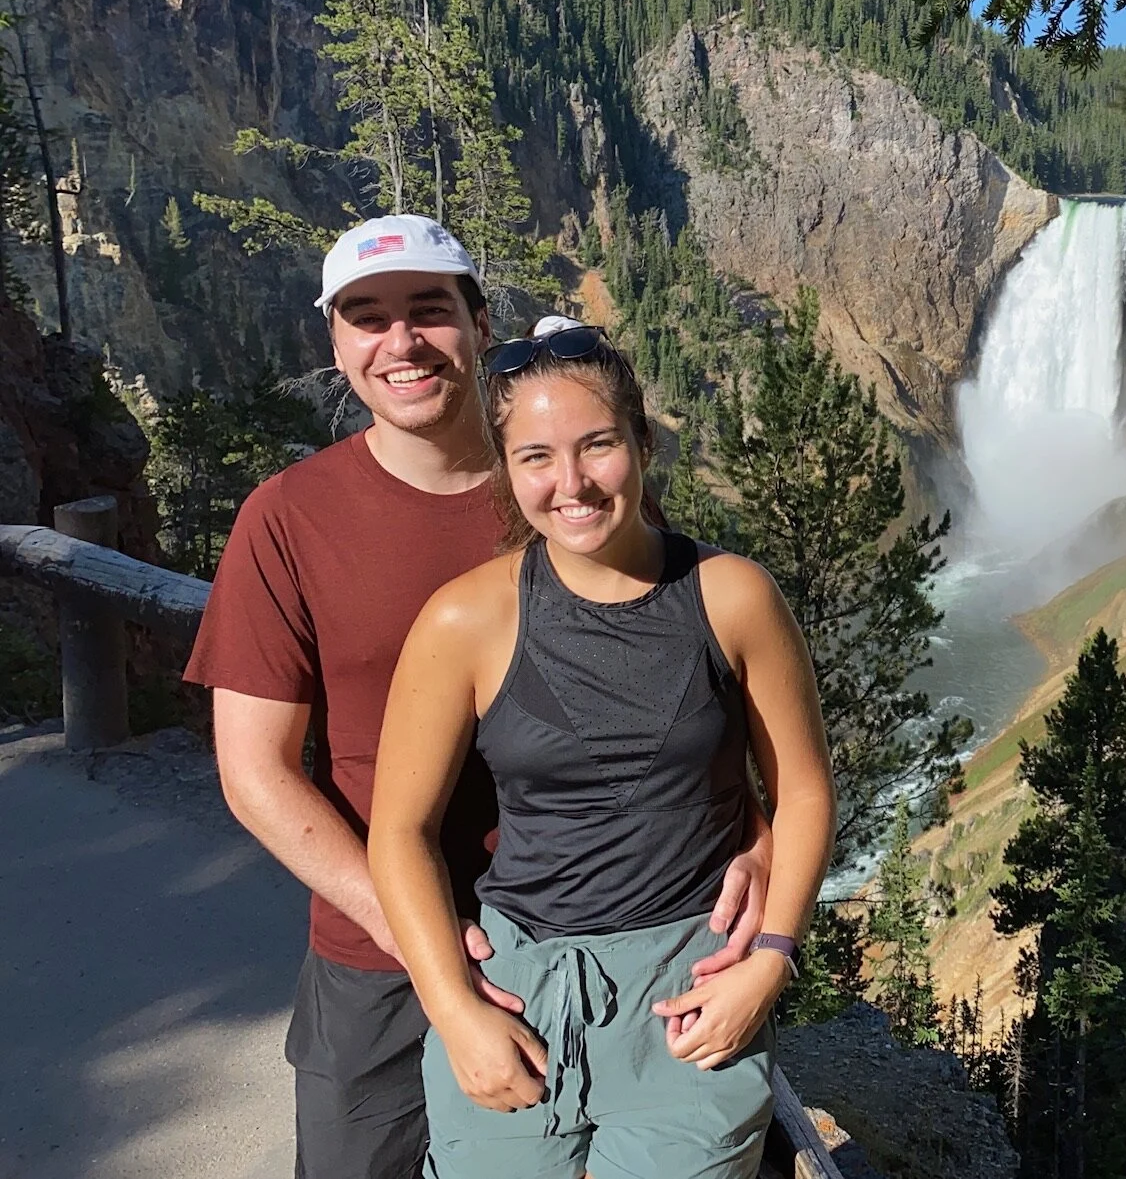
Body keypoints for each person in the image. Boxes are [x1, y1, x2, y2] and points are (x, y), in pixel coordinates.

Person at [185, 217, 772, 1179]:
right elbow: (255, 774)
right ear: (334, 343)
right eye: (367, 318)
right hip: (379, 959)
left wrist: (752, 826)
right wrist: (427, 950)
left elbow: (675, 682)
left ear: (477, 321)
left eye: (429, 310)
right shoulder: (287, 520)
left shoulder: (572, 490)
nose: (401, 342)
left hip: (598, 951)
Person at [369, 316, 835, 1179]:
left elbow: (803, 790)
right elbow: (399, 829)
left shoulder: (730, 597)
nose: (572, 482)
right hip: (517, 990)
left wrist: (771, 960)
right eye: (536, 456)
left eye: (596, 445)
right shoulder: (466, 618)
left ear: (642, 443)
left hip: (688, 991)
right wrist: (455, 1011)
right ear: (507, 470)